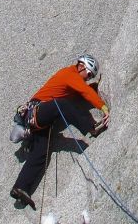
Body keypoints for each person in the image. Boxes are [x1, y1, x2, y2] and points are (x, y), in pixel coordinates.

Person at [10, 54, 110, 209]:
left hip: (40, 121)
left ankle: (21, 187)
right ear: (82, 66)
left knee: (40, 154)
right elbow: (84, 91)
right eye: (88, 74)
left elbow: (81, 92)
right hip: (38, 110)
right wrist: (103, 108)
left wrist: (94, 87)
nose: (88, 78)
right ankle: (91, 127)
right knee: (61, 105)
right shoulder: (70, 73)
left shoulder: (72, 80)